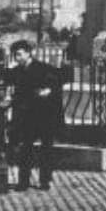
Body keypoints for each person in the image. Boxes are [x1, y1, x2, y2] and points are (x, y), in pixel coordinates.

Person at [4, 39, 63, 192]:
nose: (17, 58)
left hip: (44, 115)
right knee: (26, 149)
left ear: (28, 53)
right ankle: (23, 182)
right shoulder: (17, 71)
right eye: (15, 55)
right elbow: (8, 83)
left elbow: (58, 81)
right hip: (27, 117)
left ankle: (44, 181)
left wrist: (49, 91)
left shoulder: (42, 68)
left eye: (19, 54)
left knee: (46, 149)